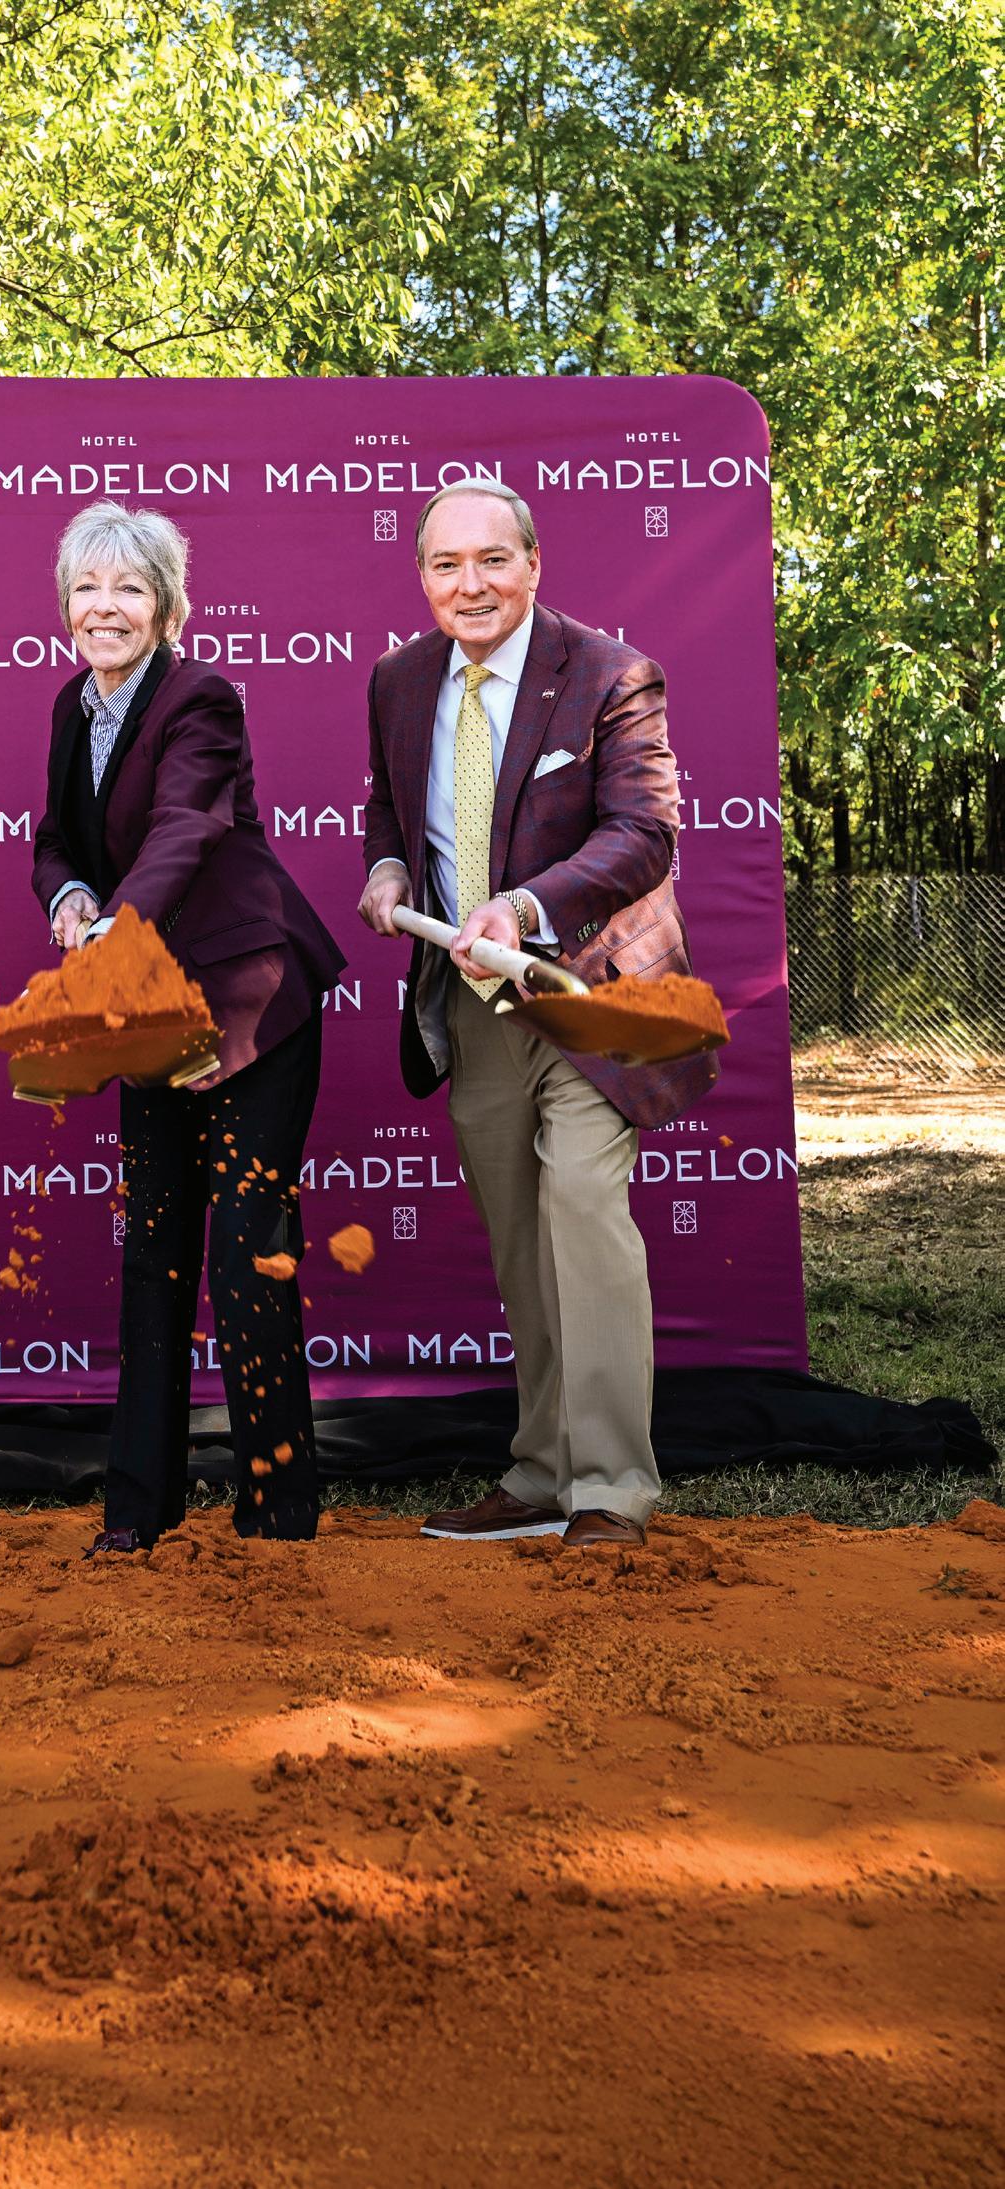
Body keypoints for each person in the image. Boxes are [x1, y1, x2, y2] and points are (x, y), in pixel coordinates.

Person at [359, 479, 716, 1549]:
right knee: (520, 1241)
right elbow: (390, 805)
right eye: (445, 565)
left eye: (491, 560)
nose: (469, 584)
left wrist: (521, 906)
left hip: (588, 994)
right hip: (470, 1004)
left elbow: (642, 834)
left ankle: (610, 1488)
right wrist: (387, 867)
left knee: (584, 1216)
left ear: (533, 562)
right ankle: (543, 1467)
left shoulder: (610, 674)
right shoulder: (397, 679)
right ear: (421, 577)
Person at [32, 501, 346, 1554]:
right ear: (65, 604)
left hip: (251, 1005)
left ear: (167, 607)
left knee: (249, 1257)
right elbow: (55, 838)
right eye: (87, 587)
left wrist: (114, 927)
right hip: (150, 1015)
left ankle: (277, 1513)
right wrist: (70, 894)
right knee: (153, 1252)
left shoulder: (201, 696)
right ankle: (138, 1509)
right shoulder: (72, 704)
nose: (104, 606)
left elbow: (184, 827)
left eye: (128, 588)